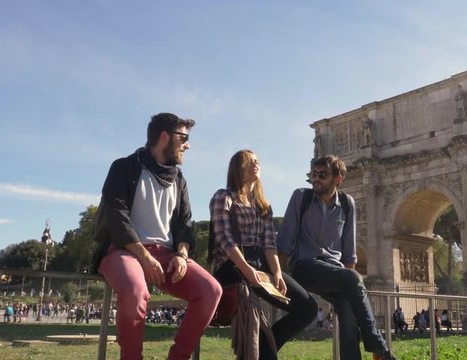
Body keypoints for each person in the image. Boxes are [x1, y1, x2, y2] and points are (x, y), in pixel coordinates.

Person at [92, 113, 222, 360]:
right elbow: (116, 216)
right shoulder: (124, 167)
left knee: (211, 290)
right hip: (125, 251)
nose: (188, 144)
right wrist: (143, 256)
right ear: (165, 137)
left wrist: (182, 255)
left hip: (167, 255)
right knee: (134, 290)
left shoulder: (179, 180)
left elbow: (185, 224)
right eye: (183, 137)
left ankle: (178, 357)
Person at [277, 155, 396, 360]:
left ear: (338, 178)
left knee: (348, 308)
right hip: (304, 266)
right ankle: (379, 350)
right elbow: (284, 241)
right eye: (314, 174)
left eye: (322, 175)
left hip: (334, 270)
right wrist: (279, 277)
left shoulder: (348, 204)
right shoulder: (300, 197)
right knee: (353, 278)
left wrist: (349, 280)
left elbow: (349, 253)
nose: (316, 179)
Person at [210, 149, 317, 360]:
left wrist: (277, 272)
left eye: (257, 161)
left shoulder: (264, 207)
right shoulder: (223, 197)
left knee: (308, 308)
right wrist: (247, 270)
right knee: (255, 322)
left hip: (262, 264)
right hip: (233, 266)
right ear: (237, 168)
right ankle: (264, 351)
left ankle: (266, 348)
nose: (255, 165)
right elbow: (224, 240)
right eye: (249, 162)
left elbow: (269, 244)